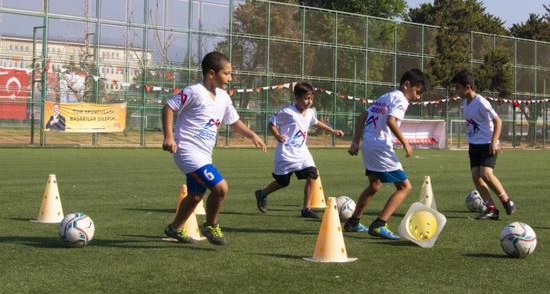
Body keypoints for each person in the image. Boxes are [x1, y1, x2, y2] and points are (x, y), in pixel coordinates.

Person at [162, 51, 267, 245]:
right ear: (211, 74)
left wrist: (252, 135)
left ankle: (174, 228)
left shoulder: (224, 97)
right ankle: (211, 225)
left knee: (195, 196)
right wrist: (169, 136)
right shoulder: (194, 91)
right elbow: (169, 106)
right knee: (220, 188)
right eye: (226, 73)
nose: (230, 78)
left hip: (204, 155)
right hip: (186, 151)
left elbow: (234, 121)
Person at [344, 68, 427, 240]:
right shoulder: (401, 99)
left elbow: (363, 115)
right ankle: (379, 224)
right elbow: (391, 121)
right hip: (381, 147)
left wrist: (355, 141)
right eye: (417, 92)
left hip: (369, 144)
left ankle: (353, 221)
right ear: (406, 85)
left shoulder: (385, 97)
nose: (417, 97)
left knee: (374, 186)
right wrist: (405, 143)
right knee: (405, 187)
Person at [254, 82, 344, 219]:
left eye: (311, 98)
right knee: (283, 182)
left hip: (302, 153)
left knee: (313, 175)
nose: (309, 102)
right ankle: (262, 193)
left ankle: (306, 208)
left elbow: (316, 122)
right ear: (296, 97)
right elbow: (271, 123)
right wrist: (277, 135)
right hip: (286, 153)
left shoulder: (310, 112)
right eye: (305, 98)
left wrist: (332, 131)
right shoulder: (287, 112)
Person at [451, 70, 516, 220]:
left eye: (458, 88)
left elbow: (498, 121)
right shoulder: (465, 104)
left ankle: (507, 201)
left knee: (486, 174)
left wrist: (494, 141)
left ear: (468, 87)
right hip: (474, 146)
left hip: (487, 144)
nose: (456, 91)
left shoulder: (481, 102)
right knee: (476, 177)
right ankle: (491, 209)